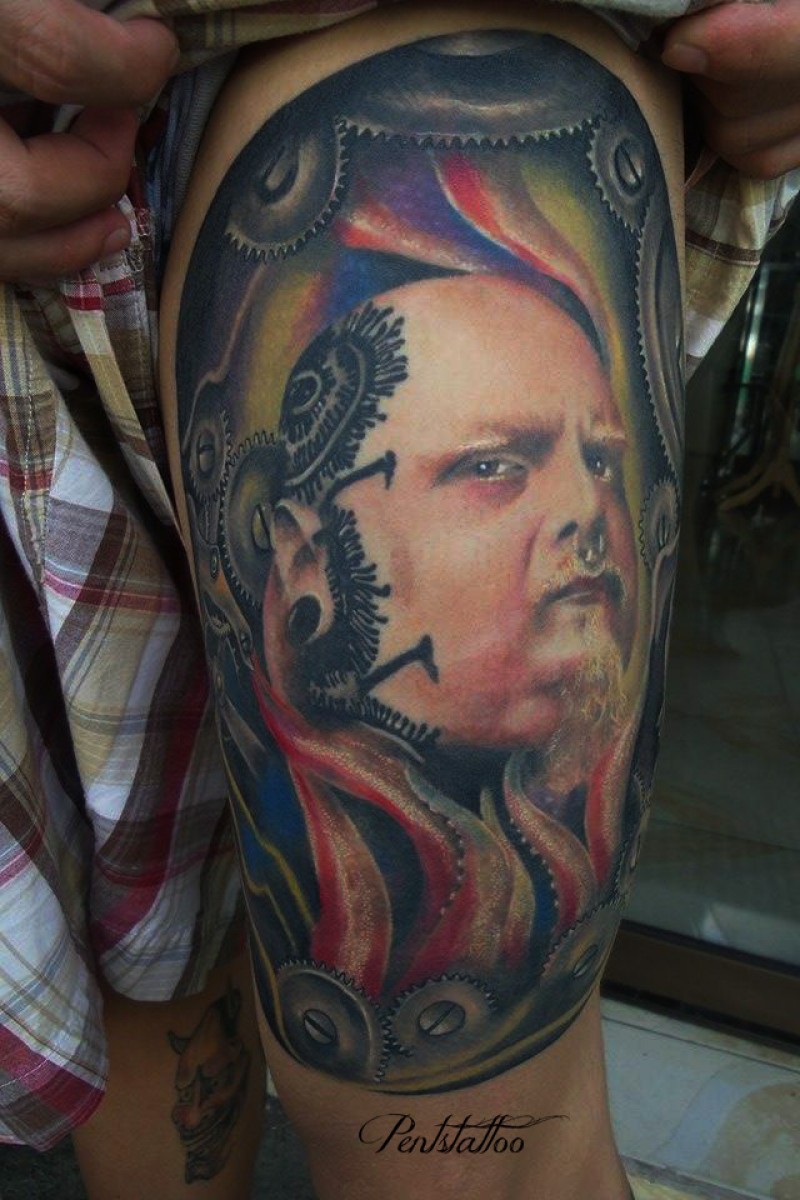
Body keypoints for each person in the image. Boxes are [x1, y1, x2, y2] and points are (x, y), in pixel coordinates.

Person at [1, 2, 799, 1199]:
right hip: (83, 125)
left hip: (358, 33)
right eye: (493, 466)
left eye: (599, 457)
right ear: (308, 557)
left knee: (484, 1161)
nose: (591, 513)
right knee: (143, 908)